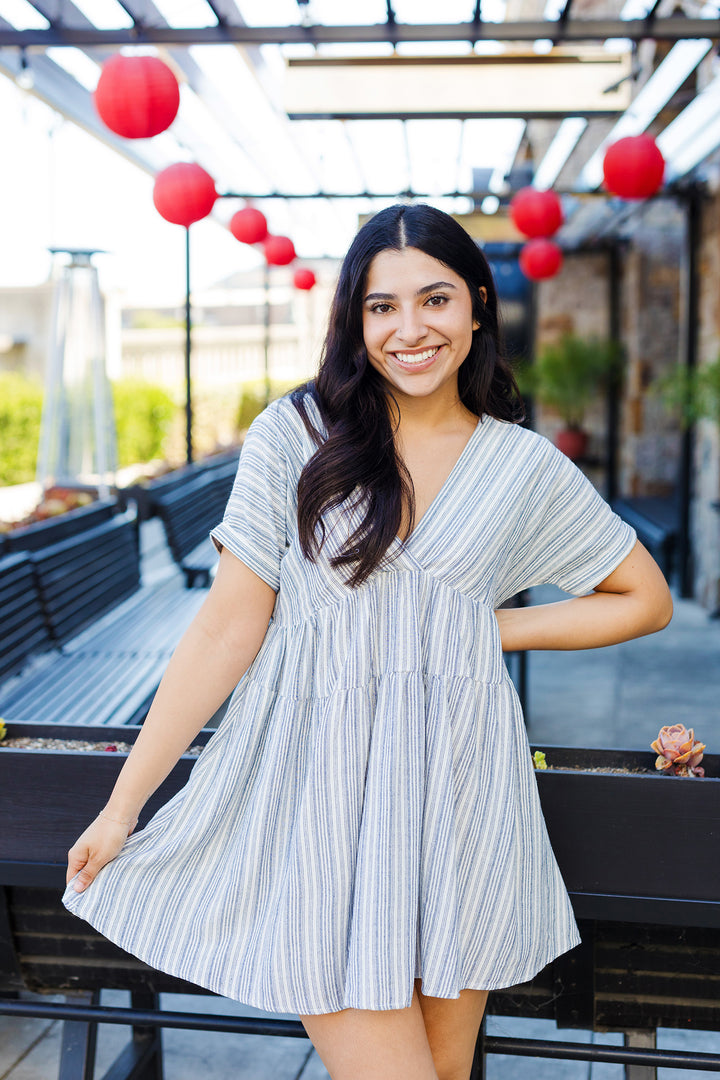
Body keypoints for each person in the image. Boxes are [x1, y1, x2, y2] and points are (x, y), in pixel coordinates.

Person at [63, 203, 672, 1080]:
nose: (409, 329)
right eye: (381, 307)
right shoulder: (297, 436)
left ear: (477, 307)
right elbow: (228, 626)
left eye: (434, 299)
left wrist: (488, 625)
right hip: (320, 800)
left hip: (461, 801)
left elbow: (643, 598)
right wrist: (125, 808)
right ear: (354, 320)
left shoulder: (519, 463)